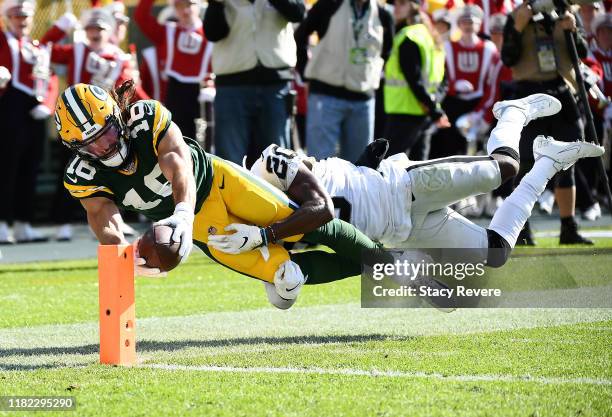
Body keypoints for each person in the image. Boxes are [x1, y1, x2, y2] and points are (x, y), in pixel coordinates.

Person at [55, 81, 393, 306]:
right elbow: (103, 217)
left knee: (311, 224)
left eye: (108, 132)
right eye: (90, 143)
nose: (104, 145)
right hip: (205, 230)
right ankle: (381, 263)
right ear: (75, 147)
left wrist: (183, 213)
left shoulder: (146, 118)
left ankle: (397, 267)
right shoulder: (83, 174)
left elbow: (178, 164)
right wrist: (123, 255)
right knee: (285, 280)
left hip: (220, 184)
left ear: (118, 113)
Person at [251, 94, 604, 295]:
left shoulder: (268, 170)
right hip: (401, 230)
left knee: (504, 167)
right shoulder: (280, 232)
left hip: (405, 186)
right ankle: (548, 161)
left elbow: (319, 201)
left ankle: (514, 111)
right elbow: (353, 256)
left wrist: (268, 235)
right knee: (496, 251)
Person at [502, 2, 594, 244]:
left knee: (568, 159)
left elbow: (583, 53)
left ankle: (568, 227)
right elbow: (507, 58)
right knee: (526, 163)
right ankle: (520, 229)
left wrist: (572, 31)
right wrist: (518, 29)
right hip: (530, 93)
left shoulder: (567, 13)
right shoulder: (516, 16)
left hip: (563, 92)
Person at [203, 0, 305, 165]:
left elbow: (298, 13)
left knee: (277, 161)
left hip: (275, 85)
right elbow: (213, 33)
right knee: (230, 161)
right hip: (232, 86)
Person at [294, 0, 394, 162]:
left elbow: (386, 51)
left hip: (363, 101)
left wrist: (369, 74)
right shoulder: (329, 5)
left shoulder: (384, 15)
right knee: (320, 165)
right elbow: (300, 35)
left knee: (359, 168)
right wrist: (306, 74)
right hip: (324, 95)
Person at [0, 0, 63, 243]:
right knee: (6, 167)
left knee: (31, 166)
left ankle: (24, 223)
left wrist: (47, 105)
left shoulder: (37, 47)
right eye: (16, 15)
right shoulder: (3, 40)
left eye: (25, 16)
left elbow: (51, 78)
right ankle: (3, 223)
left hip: (34, 109)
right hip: (9, 107)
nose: (21, 20)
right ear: (7, 18)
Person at [135, 0, 212, 141]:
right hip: (175, 92)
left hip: (203, 92)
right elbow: (141, 16)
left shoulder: (211, 33)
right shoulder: (167, 31)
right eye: (180, 6)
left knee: (206, 140)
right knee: (178, 138)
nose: (185, 11)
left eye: (189, 5)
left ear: (198, 6)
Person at [383, 0, 449, 160]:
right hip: (424, 113)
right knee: (419, 169)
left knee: (392, 167)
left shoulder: (408, 36)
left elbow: (414, 80)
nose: (396, 8)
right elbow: (444, 81)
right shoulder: (432, 37)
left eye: (402, 3)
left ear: (414, 8)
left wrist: (434, 109)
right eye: (395, 4)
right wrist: (434, 105)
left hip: (405, 112)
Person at [431, 4, 498, 159]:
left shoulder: (489, 48)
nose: (468, 26)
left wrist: (483, 112)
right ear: (459, 24)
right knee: (448, 149)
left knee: (479, 151)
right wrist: (453, 87)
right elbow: (440, 78)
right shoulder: (447, 47)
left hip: (478, 103)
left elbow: (492, 83)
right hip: (452, 103)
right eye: (464, 21)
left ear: (479, 24)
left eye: (472, 22)